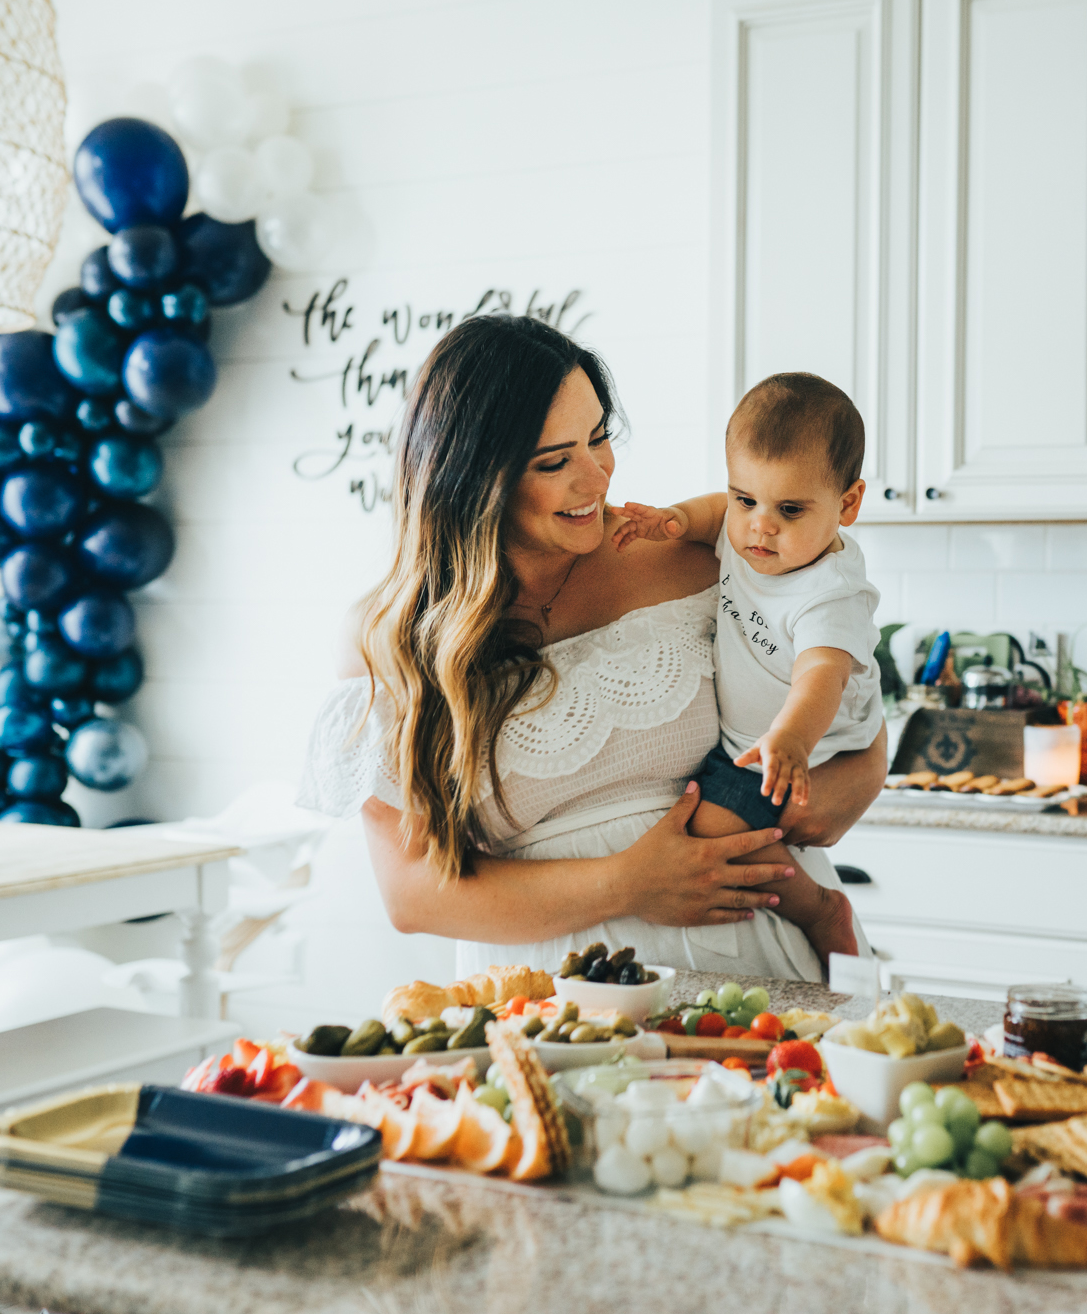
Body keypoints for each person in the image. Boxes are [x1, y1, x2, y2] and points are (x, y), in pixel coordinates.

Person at [297, 315, 884, 981]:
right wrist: (628, 883)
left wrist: (841, 787)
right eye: (555, 462)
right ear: (472, 479)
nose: (597, 476)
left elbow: (850, 724)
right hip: (544, 1004)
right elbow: (412, 894)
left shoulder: (688, 555)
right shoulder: (389, 637)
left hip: (756, 968)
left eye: (600, 437)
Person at [611, 372, 876, 965]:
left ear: (849, 504)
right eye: (745, 499)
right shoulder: (752, 534)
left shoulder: (829, 593)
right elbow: (713, 514)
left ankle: (817, 908)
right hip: (753, 743)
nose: (760, 524)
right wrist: (676, 519)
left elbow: (820, 677)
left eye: (788, 508)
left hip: (807, 743)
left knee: (713, 839)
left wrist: (790, 739)